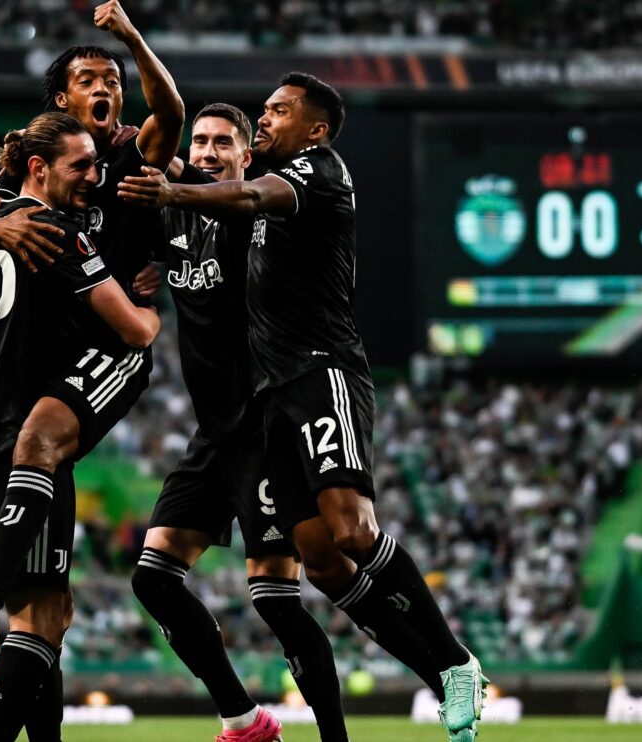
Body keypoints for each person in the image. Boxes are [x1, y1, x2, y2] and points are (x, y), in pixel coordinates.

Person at [119, 72, 488, 742]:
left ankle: (453, 661)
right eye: (263, 109)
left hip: (320, 372)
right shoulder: (216, 208)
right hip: (266, 398)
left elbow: (240, 187)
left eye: (276, 112)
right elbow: (177, 176)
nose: (265, 118)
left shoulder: (313, 173)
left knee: (346, 535)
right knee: (320, 557)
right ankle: (437, 675)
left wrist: (172, 180)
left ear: (313, 128)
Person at [0, 111, 161, 742]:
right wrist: (152, 306)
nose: (94, 176)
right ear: (40, 168)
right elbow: (135, 331)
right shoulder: (53, 229)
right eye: (80, 166)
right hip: (26, 442)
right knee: (34, 620)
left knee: (51, 612)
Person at [130, 103, 296, 742]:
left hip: (263, 426)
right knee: (152, 577)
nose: (206, 150)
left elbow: (187, 173)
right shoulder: (172, 216)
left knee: (286, 599)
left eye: (222, 142)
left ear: (245, 157)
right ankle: (243, 718)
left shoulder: (244, 213)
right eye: (198, 140)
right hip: (213, 434)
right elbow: (152, 169)